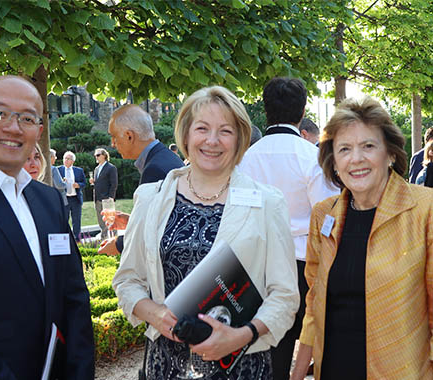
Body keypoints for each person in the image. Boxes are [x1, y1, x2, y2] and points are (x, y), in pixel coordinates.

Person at [112, 85, 299, 380]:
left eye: (225, 131)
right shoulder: (151, 198)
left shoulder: (267, 203)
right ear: (186, 134)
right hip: (165, 365)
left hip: (240, 366)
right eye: (202, 128)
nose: (212, 141)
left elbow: (285, 295)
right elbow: (127, 281)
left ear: (239, 140)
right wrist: (155, 315)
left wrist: (242, 336)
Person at [291, 97, 433, 380]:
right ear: (333, 161)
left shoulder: (425, 210)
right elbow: (314, 304)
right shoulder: (323, 215)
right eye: (344, 149)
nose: (356, 159)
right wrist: (296, 375)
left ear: (390, 153)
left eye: (368, 146)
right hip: (333, 369)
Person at [0, 75, 94, 379]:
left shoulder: (48, 200)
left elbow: (74, 300)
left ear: (38, 130)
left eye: (26, 118)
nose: (13, 126)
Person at [239, 77, 338, 380]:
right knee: (319, 346)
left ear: (265, 109)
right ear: (302, 110)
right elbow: (328, 216)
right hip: (303, 264)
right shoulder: (311, 156)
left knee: (273, 353)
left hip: (259, 266)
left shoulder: (246, 158)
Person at [98, 104, 183, 255]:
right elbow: (163, 219)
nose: (112, 144)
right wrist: (132, 221)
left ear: (129, 136)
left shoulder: (154, 169)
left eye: (114, 137)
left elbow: (157, 231)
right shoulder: (165, 158)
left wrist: (118, 245)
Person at [89, 147, 118, 239]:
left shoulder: (111, 168)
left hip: (107, 198)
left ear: (104, 155)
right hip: (97, 198)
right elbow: (99, 183)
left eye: (98, 155)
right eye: (95, 155)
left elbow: (114, 184)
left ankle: (115, 239)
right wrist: (93, 182)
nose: (96, 157)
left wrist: (111, 197)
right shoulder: (96, 169)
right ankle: (104, 239)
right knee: (101, 221)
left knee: (111, 220)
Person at [58, 151, 86, 242]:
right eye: (65, 158)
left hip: (75, 199)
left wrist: (78, 185)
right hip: (64, 199)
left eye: (68, 158)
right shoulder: (58, 170)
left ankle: (77, 240)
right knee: (64, 220)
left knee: (76, 220)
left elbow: (84, 183)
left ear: (73, 161)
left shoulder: (79, 171)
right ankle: (65, 239)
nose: (66, 160)